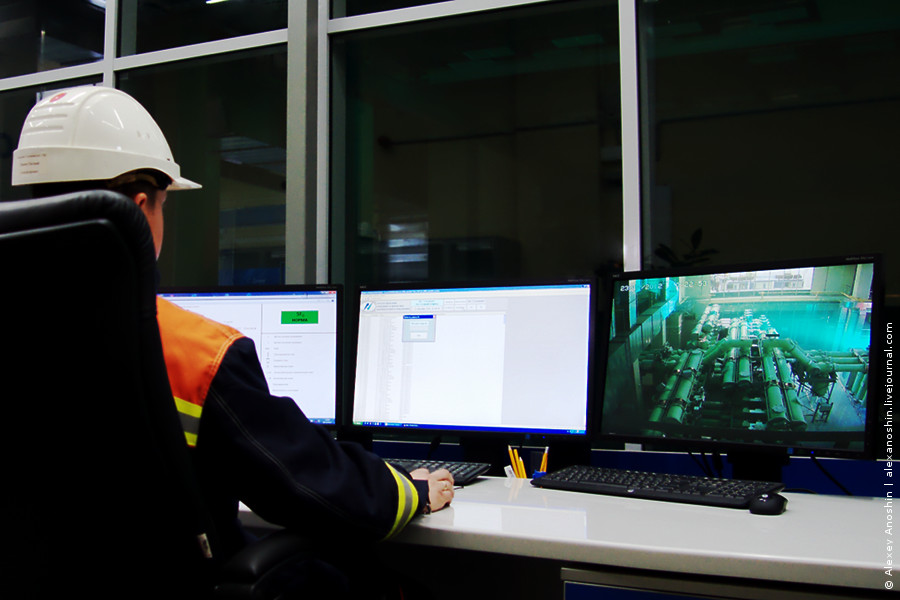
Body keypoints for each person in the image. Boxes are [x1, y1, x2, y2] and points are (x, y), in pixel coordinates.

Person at [12, 85, 453, 590]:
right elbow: (308, 483)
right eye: (163, 207)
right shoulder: (191, 352)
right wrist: (408, 491)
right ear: (140, 209)